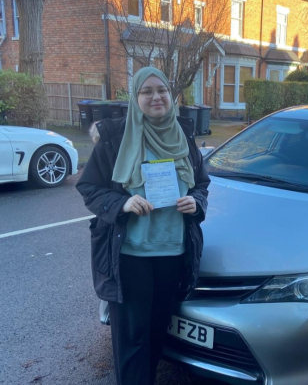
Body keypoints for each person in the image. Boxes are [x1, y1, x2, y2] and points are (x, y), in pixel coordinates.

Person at [76, 67, 210, 385]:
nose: (156, 97)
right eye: (146, 91)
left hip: (173, 253)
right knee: (132, 339)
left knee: (156, 332)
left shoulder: (183, 134)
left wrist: (196, 202)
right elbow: (89, 187)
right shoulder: (116, 138)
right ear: (135, 98)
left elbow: (201, 183)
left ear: (171, 95)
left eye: (161, 90)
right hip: (131, 255)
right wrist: (121, 204)